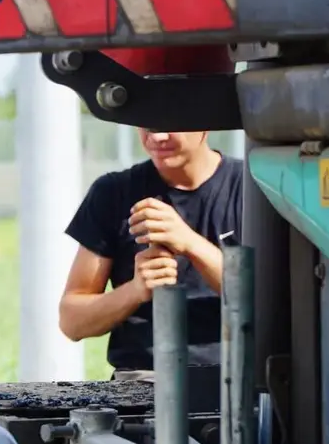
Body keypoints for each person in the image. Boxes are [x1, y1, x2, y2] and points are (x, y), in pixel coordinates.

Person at [58, 128, 243, 374]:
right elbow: (72, 322)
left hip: (235, 381)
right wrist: (135, 290)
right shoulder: (113, 193)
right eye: (147, 125)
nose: (157, 137)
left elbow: (271, 304)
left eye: (170, 124)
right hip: (140, 382)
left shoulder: (251, 187)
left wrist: (190, 243)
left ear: (205, 123)